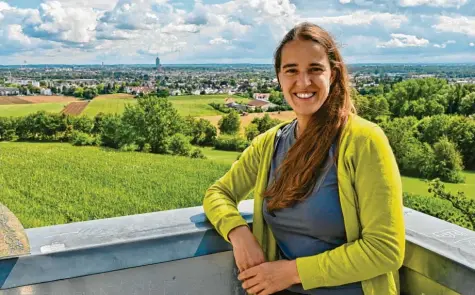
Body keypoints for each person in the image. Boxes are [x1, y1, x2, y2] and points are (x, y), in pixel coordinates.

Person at [203, 22, 405, 295]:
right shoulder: (269, 145)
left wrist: (290, 273)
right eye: (291, 71)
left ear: (332, 74)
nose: (303, 82)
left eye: (315, 69)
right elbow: (218, 193)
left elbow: (384, 250)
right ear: (279, 78)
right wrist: (238, 233)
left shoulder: (364, 141)